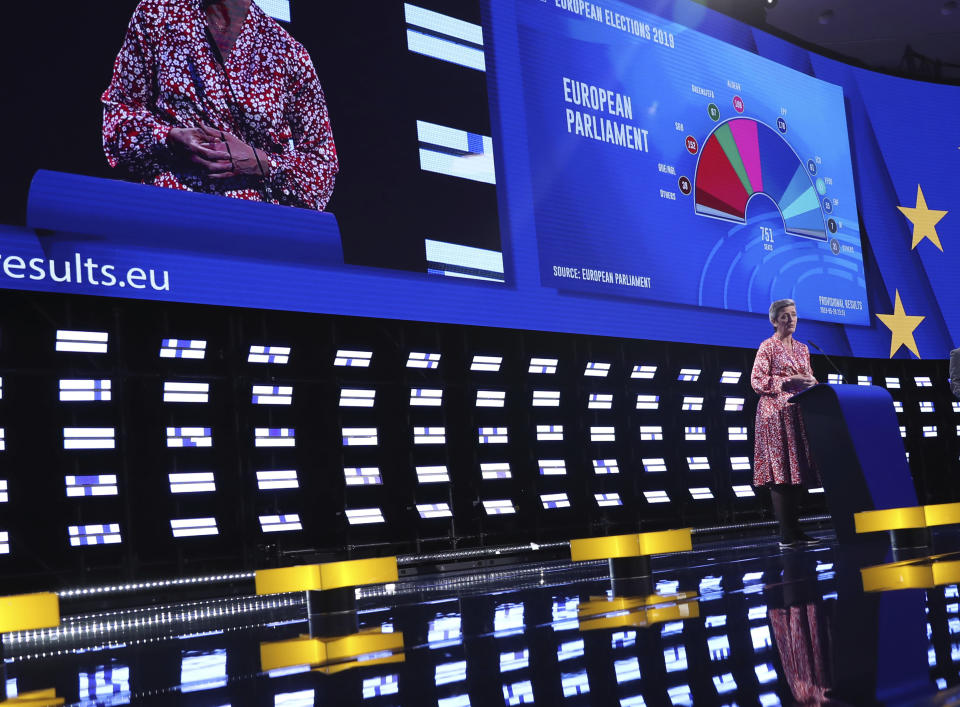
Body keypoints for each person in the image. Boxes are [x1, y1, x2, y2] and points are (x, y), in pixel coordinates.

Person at [102, 0, 338, 211]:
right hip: (168, 208)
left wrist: (260, 162)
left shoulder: (289, 54)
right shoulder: (157, 15)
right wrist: (169, 137)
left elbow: (322, 168)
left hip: (254, 225)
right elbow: (117, 117)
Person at [751, 298, 820, 548]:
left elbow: (808, 376)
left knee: (796, 472)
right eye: (784, 316)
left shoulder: (803, 348)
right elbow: (757, 381)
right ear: (774, 320)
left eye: (793, 314)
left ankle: (796, 531)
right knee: (780, 474)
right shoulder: (767, 347)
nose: (790, 320)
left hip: (797, 415)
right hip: (774, 416)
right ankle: (786, 534)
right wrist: (786, 383)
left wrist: (812, 383)